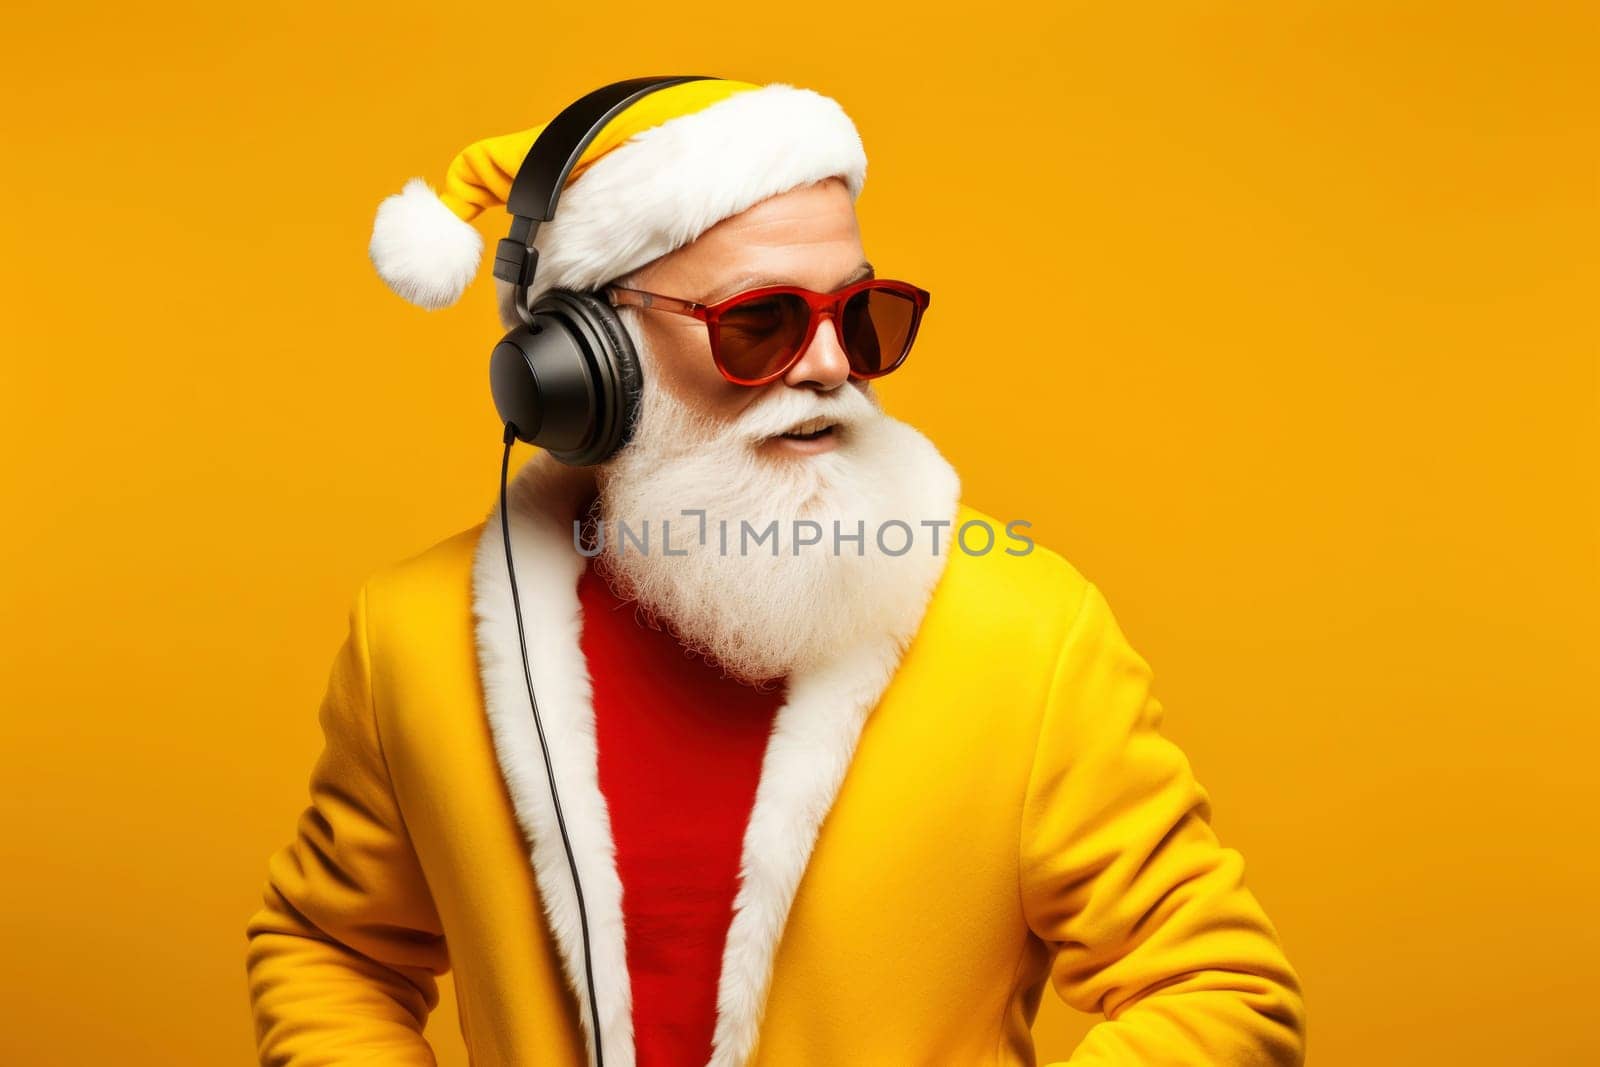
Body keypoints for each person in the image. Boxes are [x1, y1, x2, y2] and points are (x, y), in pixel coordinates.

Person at [244, 77, 1307, 1066]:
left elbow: (1217, 987)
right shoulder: (415, 635)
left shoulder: (1028, 629)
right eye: (759, 321)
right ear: (582, 365)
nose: (832, 363)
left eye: (860, 311)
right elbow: (331, 948)